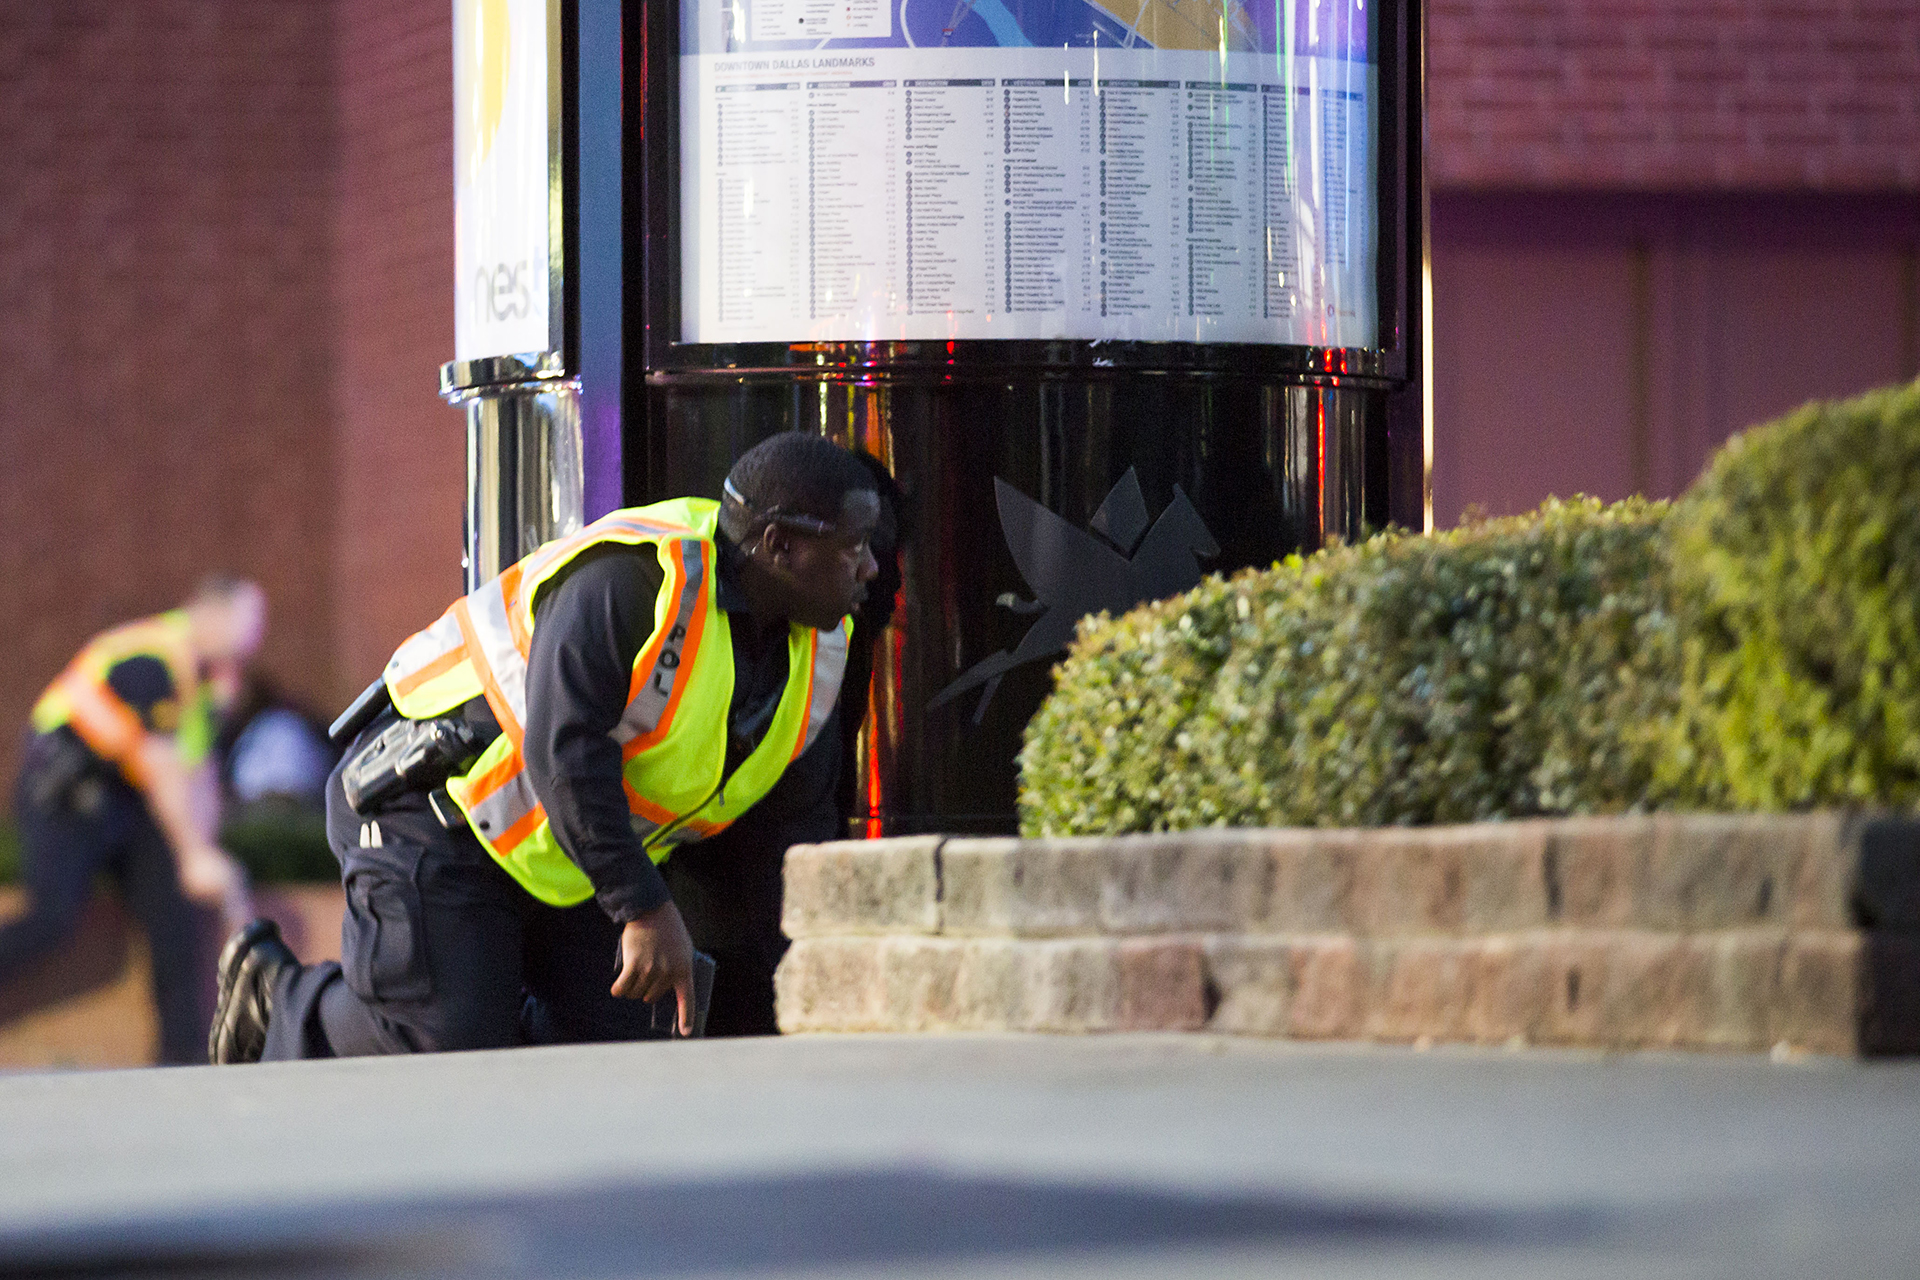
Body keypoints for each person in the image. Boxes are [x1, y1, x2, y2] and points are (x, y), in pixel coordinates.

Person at [209, 433, 881, 1062]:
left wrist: (810, 972)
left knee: (627, 1050)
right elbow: (565, 754)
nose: (872, 568)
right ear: (779, 546)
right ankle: (280, 999)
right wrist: (643, 908)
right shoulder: (636, 583)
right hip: (436, 813)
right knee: (448, 1046)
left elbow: (790, 833)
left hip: (567, 858)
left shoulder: (817, 651)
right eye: (854, 548)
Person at [0, 578, 261, 1064]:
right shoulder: (151, 657)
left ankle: (182, 1059)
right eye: (247, 622)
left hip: (125, 803)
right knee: (52, 915)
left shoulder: (200, 682)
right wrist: (194, 853)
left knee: (174, 914)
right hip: (64, 794)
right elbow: (161, 763)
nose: (254, 638)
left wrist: (204, 858)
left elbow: (195, 775)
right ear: (210, 614)